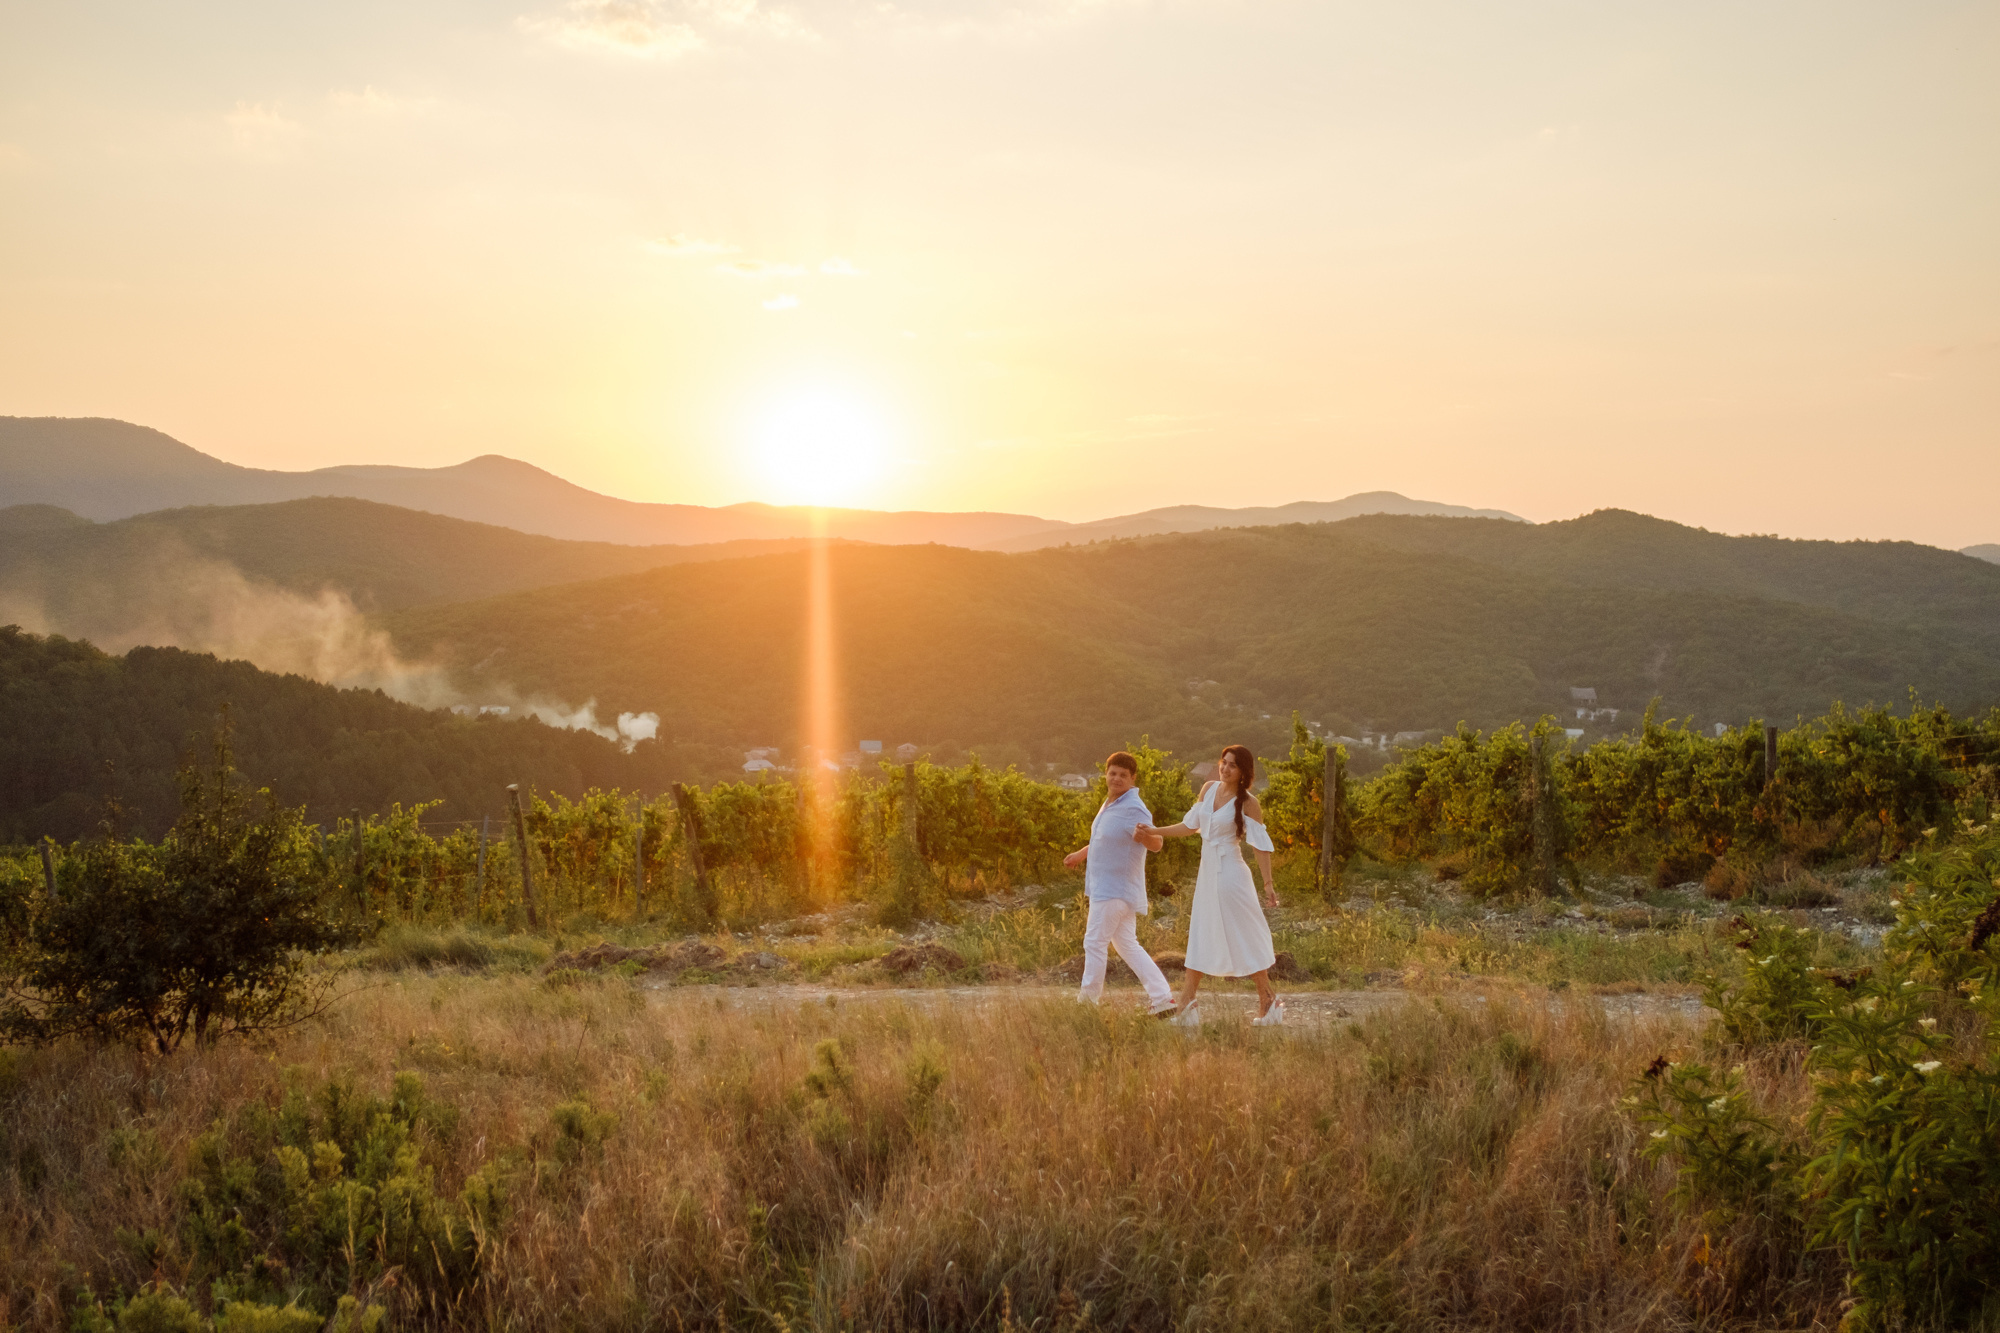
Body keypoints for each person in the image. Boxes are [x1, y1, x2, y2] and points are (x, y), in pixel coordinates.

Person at [1140, 744, 1284, 1025]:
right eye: (1223, 762)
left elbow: (1261, 847)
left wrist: (1268, 884)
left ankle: (1268, 1001)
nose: (1225, 768)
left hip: (1231, 875)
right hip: (1207, 874)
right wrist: (1154, 830)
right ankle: (1187, 1005)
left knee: (1245, 935)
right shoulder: (1207, 789)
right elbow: (1190, 826)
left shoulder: (1249, 803)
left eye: (1232, 765)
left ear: (1243, 772)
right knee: (1200, 933)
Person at [1062, 751, 1178, 1016]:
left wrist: (1143, 836)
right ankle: (1162, 998)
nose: (1116, 778)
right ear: (1106, 774)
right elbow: (1106, 839)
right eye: (1112, 773)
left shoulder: (1133, 807)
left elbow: (1157, 843)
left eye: (1123, 775)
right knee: (1126, 944)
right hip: (1112, 888)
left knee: (1094, 942)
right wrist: (1081, 854)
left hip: (1115, 890)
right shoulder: (1111, 804)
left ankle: (1087, 1004)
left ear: (1132, 778)